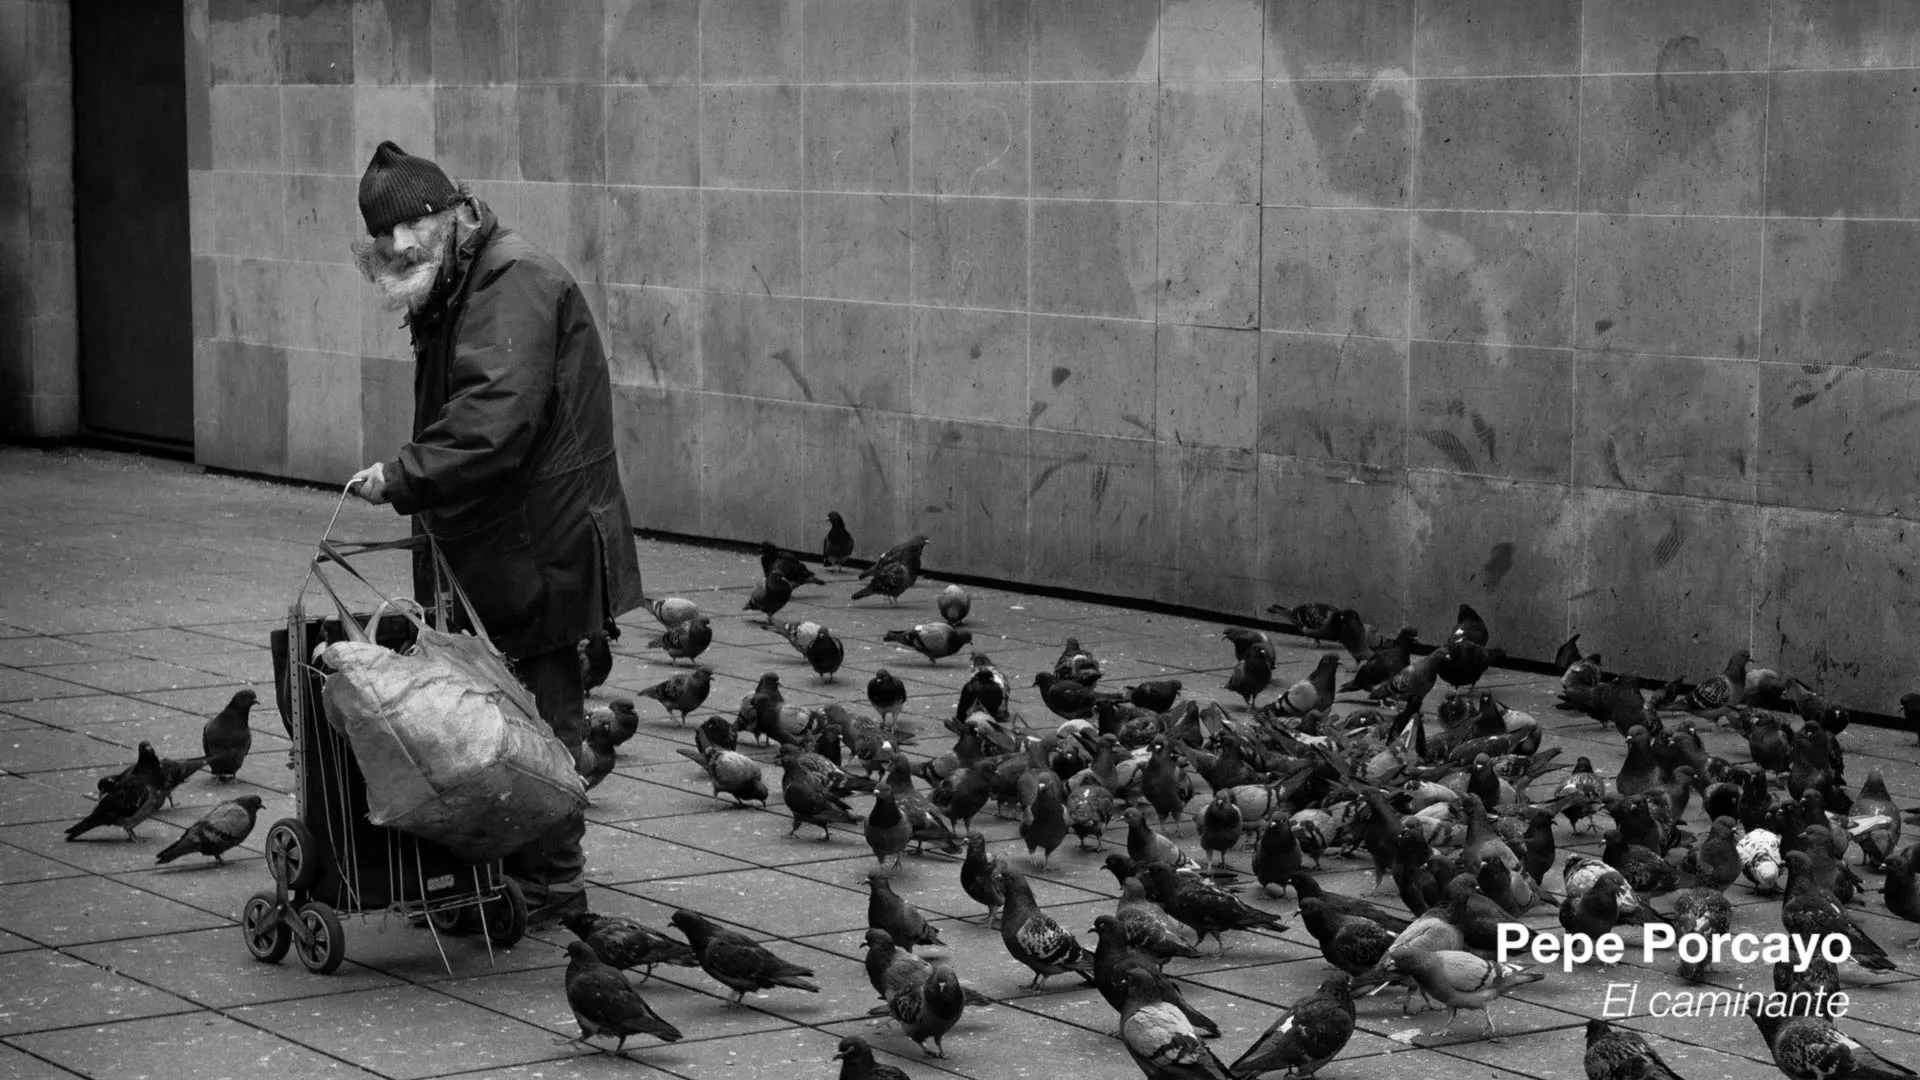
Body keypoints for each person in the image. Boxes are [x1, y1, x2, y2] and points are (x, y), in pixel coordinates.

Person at [346, 140, 643, 923]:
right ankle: (512, 877)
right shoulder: (461, 276)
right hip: (511, 543)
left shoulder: (510, 280)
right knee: (502, 714)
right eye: (384, 233)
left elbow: (492, 420)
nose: (398, 244)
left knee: (541, 717)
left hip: (538, 547)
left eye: (412, 223)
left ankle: (547, 885)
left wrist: (403, 476)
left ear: (450, 212)